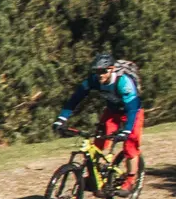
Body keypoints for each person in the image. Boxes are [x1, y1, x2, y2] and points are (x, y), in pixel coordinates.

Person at [54, 52, 143, 191]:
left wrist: (126, 130)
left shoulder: (124, 82)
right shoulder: (93, 81)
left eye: (103, 71)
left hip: (132, 112)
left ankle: (131, 179)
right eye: (97, 71)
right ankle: (94, 177)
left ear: (112, 69)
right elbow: (75, 99)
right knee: (98, 142)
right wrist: (61, 118)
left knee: (130, 146)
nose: (99, 74)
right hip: (112, 112)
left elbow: (132, 109)